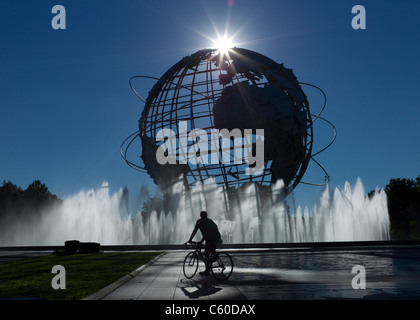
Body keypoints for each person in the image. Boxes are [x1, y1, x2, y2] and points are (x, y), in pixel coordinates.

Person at [188, 211, 222, 275]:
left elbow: (196, 231)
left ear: (200, 216)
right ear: (206, 215)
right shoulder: (209, 220)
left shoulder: (200, 222)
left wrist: (190, 240)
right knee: (210, 251)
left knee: (206, 254)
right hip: (216, 237)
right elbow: (208, 233)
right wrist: (201, 241)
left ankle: (207, 270)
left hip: (210, 238)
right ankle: (214, 257)